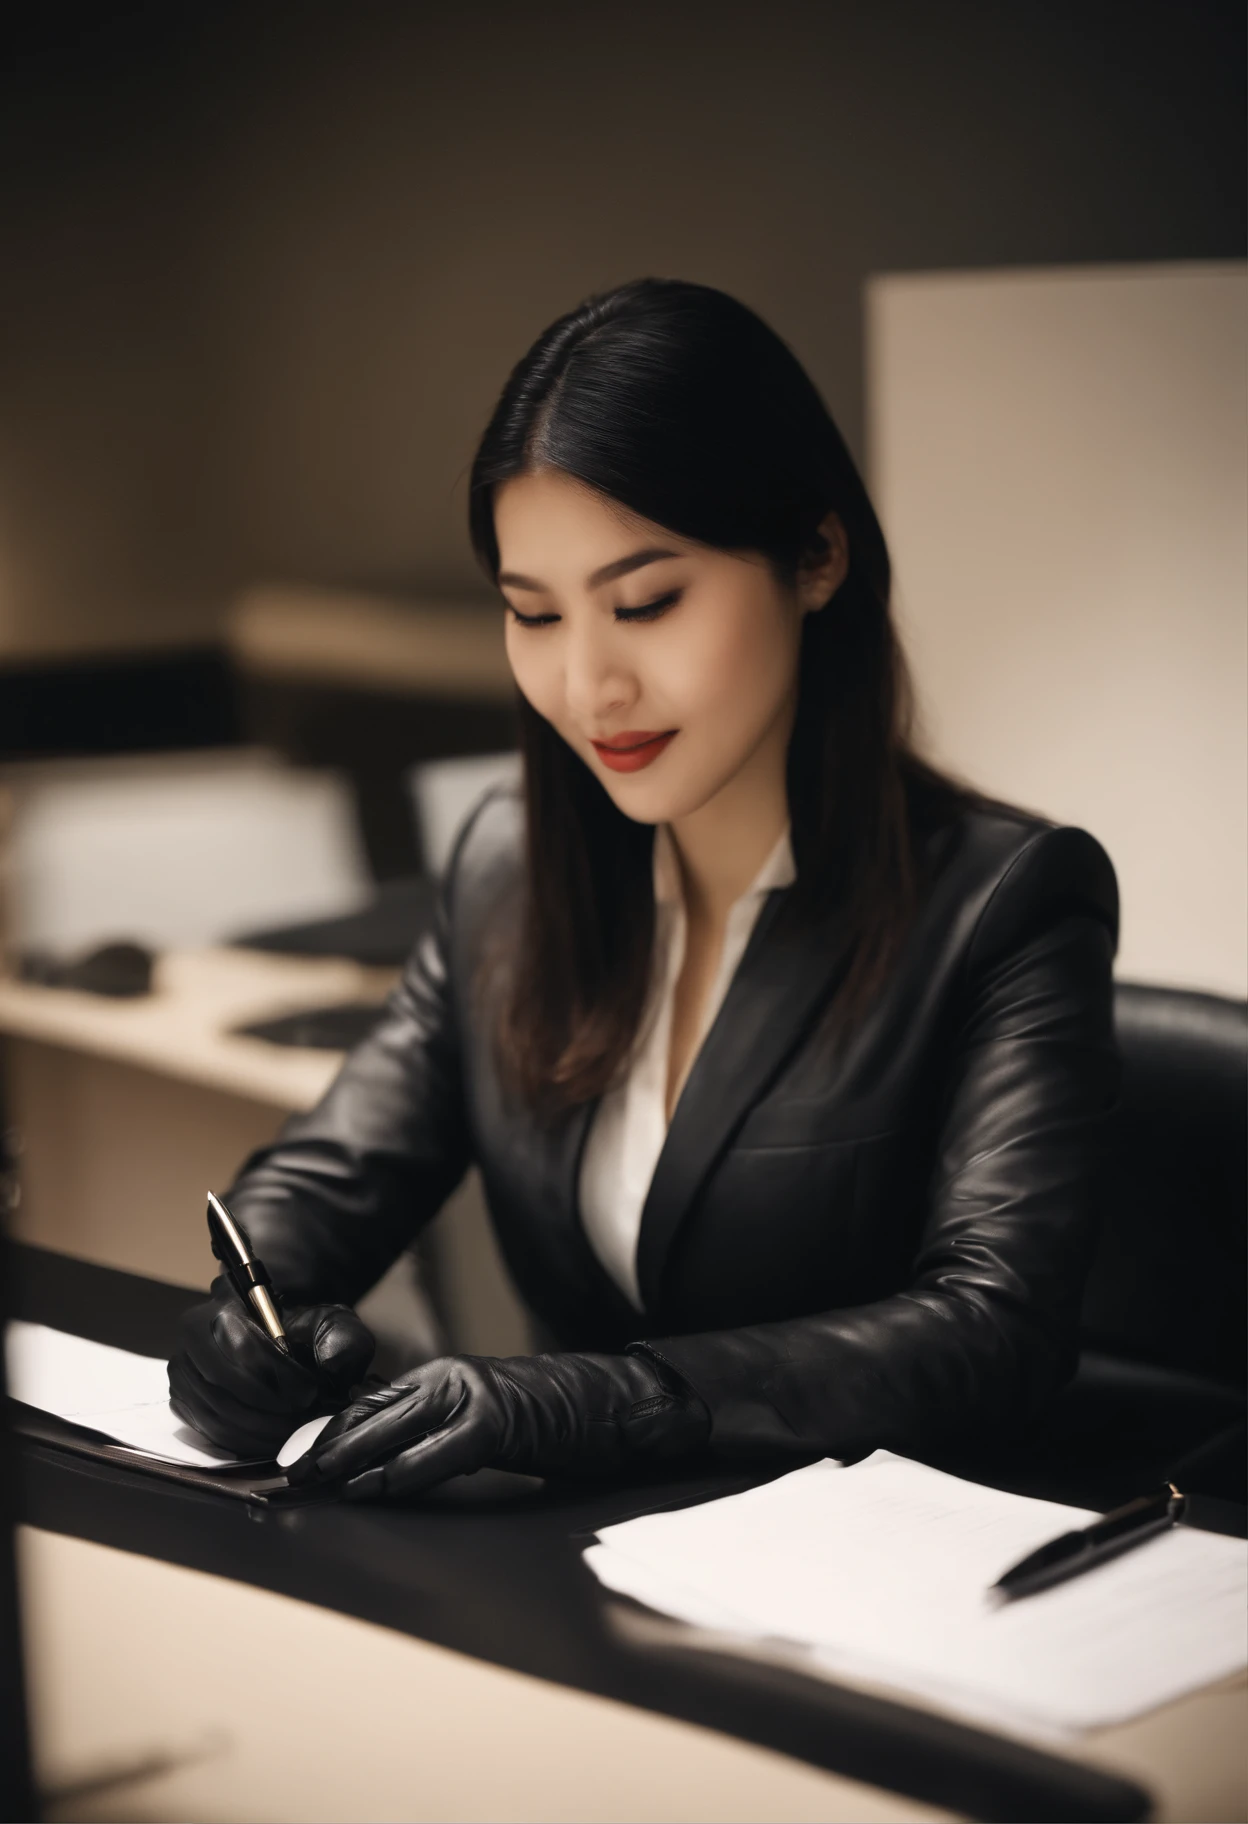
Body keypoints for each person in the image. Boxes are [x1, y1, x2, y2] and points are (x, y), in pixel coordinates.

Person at [169, 278, 1119, 1499]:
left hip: (897, 1599)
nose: (586, 685)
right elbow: (334, 1172)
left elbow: (997, 1328)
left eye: (646, 603)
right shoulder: (509, 863)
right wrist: (253, 1314)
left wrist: (597, 1401)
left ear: (816, 556)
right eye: (532, 615)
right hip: (589, 1577)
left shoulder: (1006, 902)